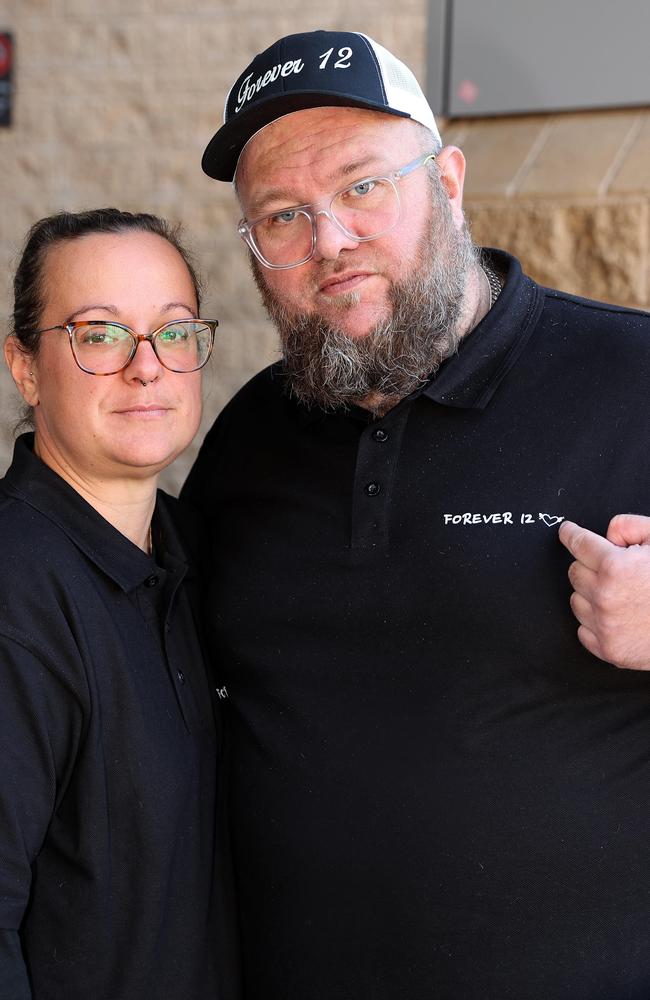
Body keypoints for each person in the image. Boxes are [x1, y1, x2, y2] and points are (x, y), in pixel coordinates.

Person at [184, 29, 650, 999]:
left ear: (446, 179)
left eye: (362, 186)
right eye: (281, 215)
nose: (330, 241)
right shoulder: (243, 443)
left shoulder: (628, 380)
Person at [0, 208, 236, 1000]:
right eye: (99, 334)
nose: (148, 367)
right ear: (25, 367)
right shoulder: (18, 593)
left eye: (172, 332)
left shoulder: (194, 553)